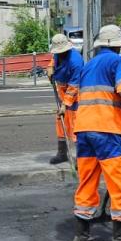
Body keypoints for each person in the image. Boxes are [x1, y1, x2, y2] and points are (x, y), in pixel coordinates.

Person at [69, 24, 121, 241]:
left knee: (87, 183)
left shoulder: (88, 65)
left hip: (84, 131)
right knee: (120, 183)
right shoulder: (118, 62)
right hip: (107, 131)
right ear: (117, 46)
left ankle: (81, 237)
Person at [48, 33, 83, 165]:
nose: (59, 54)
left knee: (76, 127)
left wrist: (65, 105)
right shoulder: (58, 54)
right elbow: (52, 61)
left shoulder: (76, 61)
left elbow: (74, 86)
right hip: (62, 92)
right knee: (60, 122)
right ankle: (62, 153)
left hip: (75, 96)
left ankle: (81, 159)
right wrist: (50, 68)